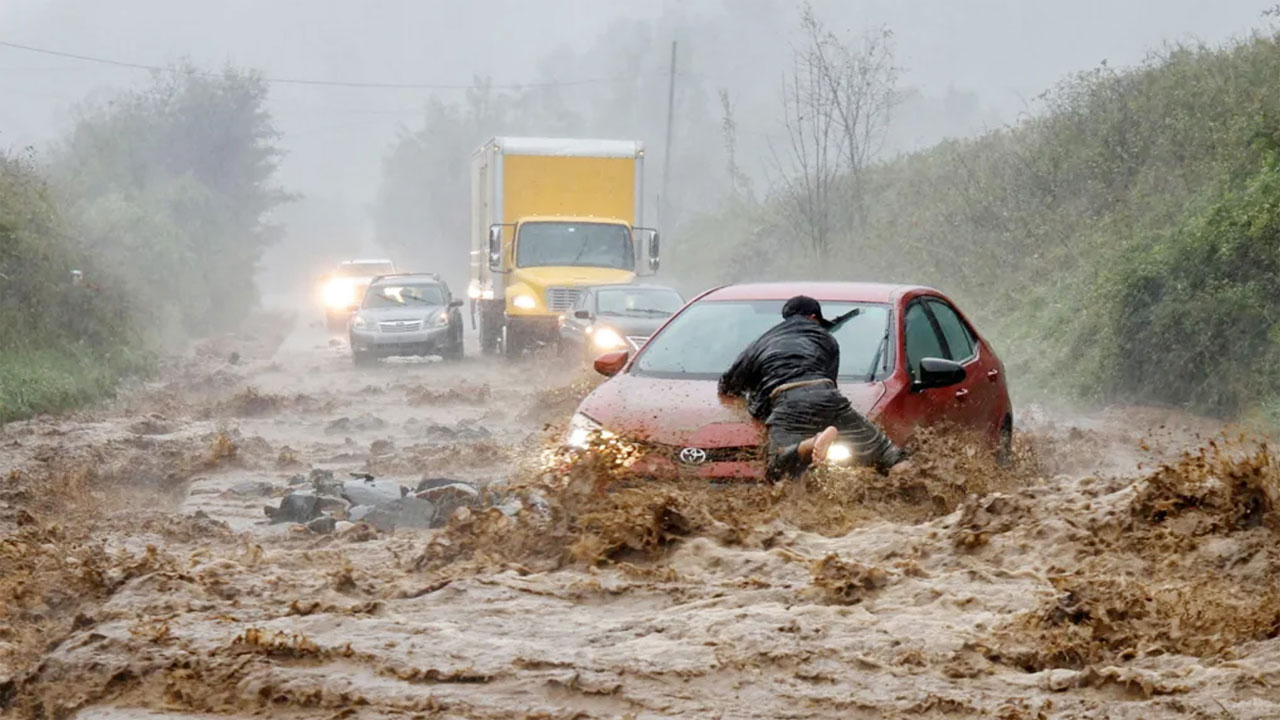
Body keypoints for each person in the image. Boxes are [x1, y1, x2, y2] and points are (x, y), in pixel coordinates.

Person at [718, 295, 908, 480]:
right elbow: (830, 383)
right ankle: (915, 490)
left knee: (776, 468)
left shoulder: (762, 342)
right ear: (813, 317)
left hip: (788, 400)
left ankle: (811, 444)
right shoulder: (827, 340)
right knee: (888, 453)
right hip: (827, 395)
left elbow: (728, 384)